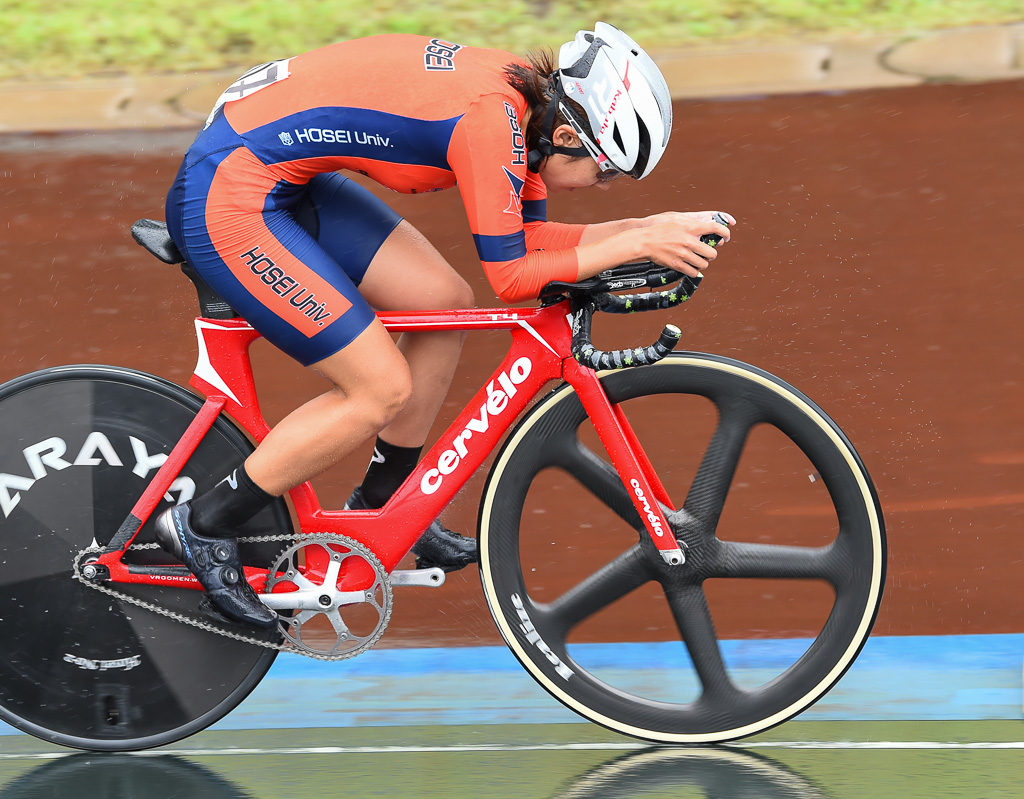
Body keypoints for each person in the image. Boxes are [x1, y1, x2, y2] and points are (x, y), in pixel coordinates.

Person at [156, 22, 734, 629]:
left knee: (440, 301)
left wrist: (649, 228)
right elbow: (512, 277)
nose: (601, 188)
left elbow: (529, 241)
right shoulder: (494, 123)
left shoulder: (527, 111)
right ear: (568, 135)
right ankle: (201, 524)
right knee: (378, 388)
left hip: (279, 173)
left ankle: (386, 500)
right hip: (231, 190)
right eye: (605, 173)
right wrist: (640, 236)